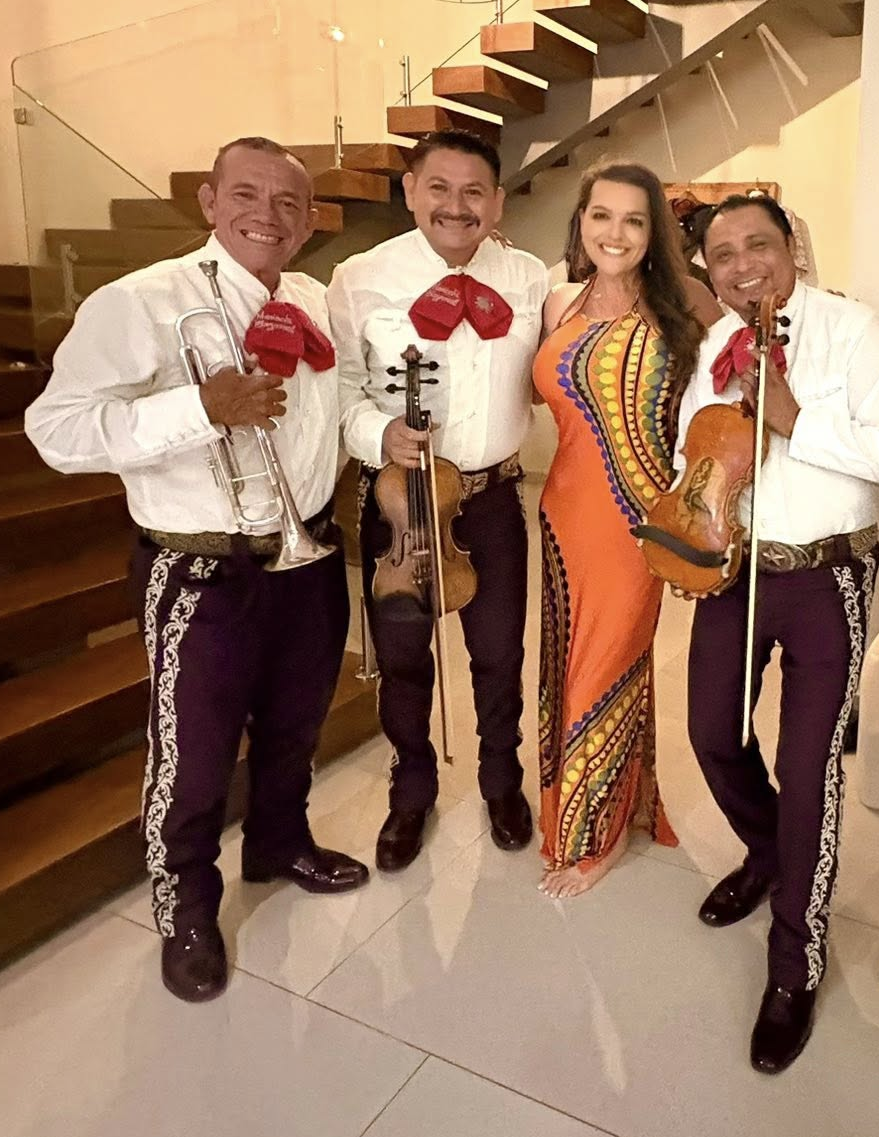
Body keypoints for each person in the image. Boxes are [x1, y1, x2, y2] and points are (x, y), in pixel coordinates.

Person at [25, 137, 368, 1003]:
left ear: (308, 221)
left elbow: (339, 414)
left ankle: (278, 841)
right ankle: (184, 902)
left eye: (288, 202)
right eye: (246, 194)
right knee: (194, 751)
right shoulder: (137, 301)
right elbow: (55, 429)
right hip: (197, 567)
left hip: (306, 554)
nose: (267, 214)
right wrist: (198, 408)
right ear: (209, 202)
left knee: (297, 722)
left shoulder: (319, 301)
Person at [677, 193, 879, 1074]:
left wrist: (789, 416)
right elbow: (689, 456)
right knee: (711, 734)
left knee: (810, 765)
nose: (742, 264)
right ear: (706, 266)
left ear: (792, 250)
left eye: (758, 245)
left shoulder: (855, 332)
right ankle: (768, 850)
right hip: (735, 574)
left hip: (828, 577)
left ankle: (794, 964)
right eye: (721, 252)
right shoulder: (713, 346)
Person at [328, 130, 546, 870]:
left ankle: (500, 779)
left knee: (498, 652)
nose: (457, 206)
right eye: (439, 188)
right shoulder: (359, 277)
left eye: (474, 191)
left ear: (497, 201)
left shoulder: (527, 279)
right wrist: (376, 432)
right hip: (398, 501)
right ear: (411, 188)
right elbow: (341, 392)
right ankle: (410, 788)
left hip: (489, 498)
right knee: (401, 656)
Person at [533, 161, 720, 898]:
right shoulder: (555, 303)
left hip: (638, 522)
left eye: (633, 220)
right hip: (559, 513)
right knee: (563, 667)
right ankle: (621, 801)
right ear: (580, 219)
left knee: (604, 668)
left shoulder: (686, 303)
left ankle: (592, 835)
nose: (615, 233)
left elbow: (738, 396)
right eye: (600, 215)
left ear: (655, 235)